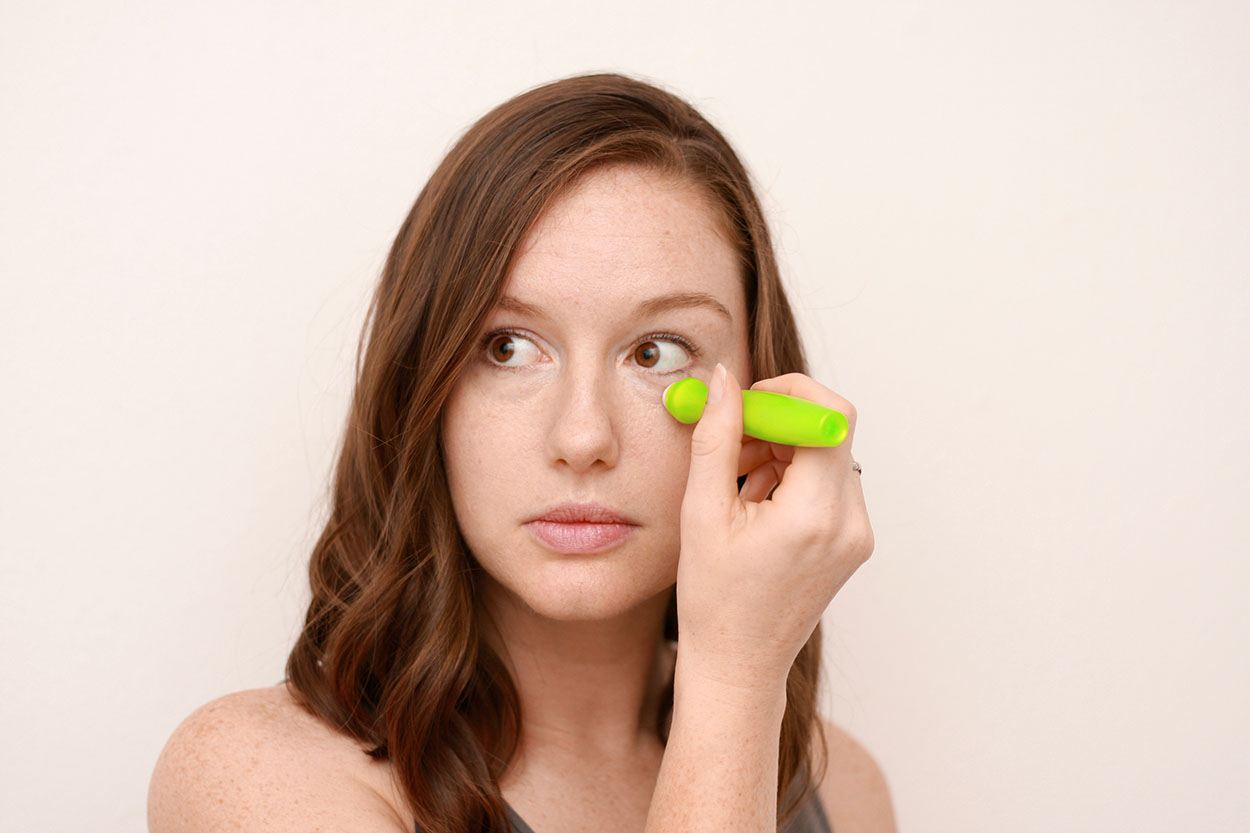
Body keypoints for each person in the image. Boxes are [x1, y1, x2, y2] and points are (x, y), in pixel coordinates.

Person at [147, 72, 895, 833]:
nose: (582, 439)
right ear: (423, 387)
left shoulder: (847, 792)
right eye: (507, 347)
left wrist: (741, 684)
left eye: (657, 352)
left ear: (761, 394)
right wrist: (735, 678)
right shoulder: (251, 776)